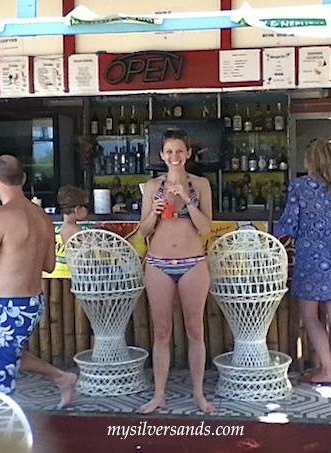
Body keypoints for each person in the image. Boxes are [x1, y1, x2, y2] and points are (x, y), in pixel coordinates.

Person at [0, 155, 77, 407]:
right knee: (10, 354)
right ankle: (62, 378)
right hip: (33, 301)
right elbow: (49, 265)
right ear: (24, 179)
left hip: (10, 305)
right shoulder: (42, 216)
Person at [138, 128, 214, 414]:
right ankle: (159, 395)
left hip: (193, 261)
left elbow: (206, 227)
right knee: (162, 332)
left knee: (195, 330)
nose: (174, 157)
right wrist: (154, 212)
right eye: (169, 152)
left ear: (188, 154)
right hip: (158, 263)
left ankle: (198, 393)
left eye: (179, 151)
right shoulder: (151, 186)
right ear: (161, 155)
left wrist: (187, 198)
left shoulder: (200, 184)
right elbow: (143, 230)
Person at [275, 139, 331, 385]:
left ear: (310, 159)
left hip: (309, 257)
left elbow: (288, 223)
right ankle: (327, 367)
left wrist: (273, 234)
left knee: (310, 315)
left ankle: (327, 370)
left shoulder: (299, 186)